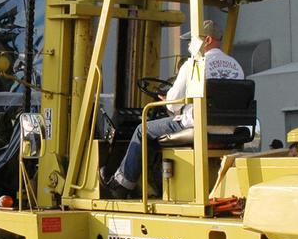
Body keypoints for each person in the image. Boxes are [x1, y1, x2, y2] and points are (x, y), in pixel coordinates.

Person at [105, 19, 244, 198]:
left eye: (191, 41)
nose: (188, 46)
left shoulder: (194, 64)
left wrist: (166, 99)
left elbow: (172, 104)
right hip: (229, 130)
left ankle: (122, 183)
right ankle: (155, 184)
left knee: (143, 130)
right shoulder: (236, 66)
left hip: (198, 125)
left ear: (207, 40)